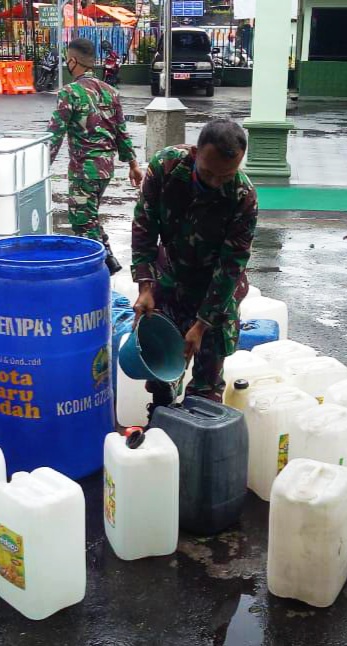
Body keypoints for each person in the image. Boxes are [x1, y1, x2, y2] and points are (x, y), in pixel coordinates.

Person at [131, 118, 258, 411]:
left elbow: (231, 265)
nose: (215, 183)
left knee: (208, 378)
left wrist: (202, 324)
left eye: (225, 176)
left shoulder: (243, 196)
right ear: (194, 153)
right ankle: (162, 417)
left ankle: (200, 430)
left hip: (216, 289)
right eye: (208, 173)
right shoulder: (166, 168)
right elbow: (144, 227)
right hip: (171, 275)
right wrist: (145, 286)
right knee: (162, 364)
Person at [47, 36, 143, 275]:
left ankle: (100, 269)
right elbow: (122, 131)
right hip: (105, 168)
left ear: (73, 61)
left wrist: (40, 166)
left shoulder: (70, 93)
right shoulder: (111, 92)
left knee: (81, 221)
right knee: (89, 216)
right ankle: (108, 260)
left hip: (84, 170)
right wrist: (133, 165)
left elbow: (54, 134)